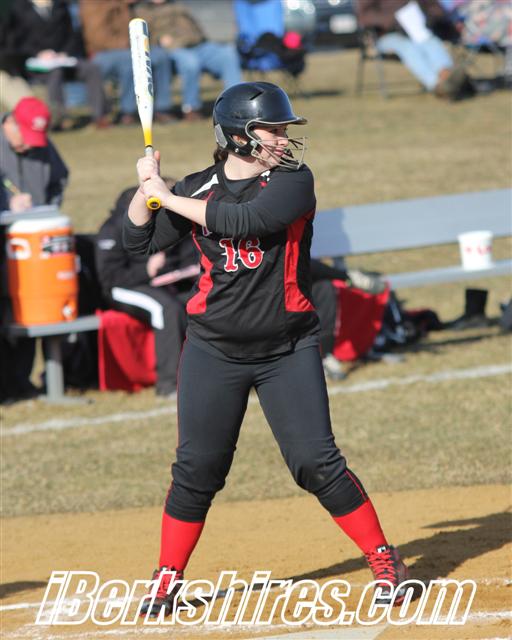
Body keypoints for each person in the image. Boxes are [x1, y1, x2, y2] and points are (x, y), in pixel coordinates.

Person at [124, 81, 410, 616]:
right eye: (271, 130)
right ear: (238, 136)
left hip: (287, 348)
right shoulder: (198, 186)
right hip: (212, 349)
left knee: (315, 463)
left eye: (283, 130)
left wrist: (170, 197)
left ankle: (384, 559)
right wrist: (146, 193)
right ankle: (167, 577)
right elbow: (138, 241)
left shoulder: (294, 181)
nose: (282, 139)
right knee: (197, 469)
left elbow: (247, 221)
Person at [95, 184, 198, 398]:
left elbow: (183, 255)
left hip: (159, 283)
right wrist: (147, 270)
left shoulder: (165, 218)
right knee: (165, 309)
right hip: (123, 288)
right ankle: (169, 384)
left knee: (198, 299)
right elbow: (110, 277)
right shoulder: (113, 228)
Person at [0, 96, 68, 402]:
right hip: (4, 243)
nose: (30, 145)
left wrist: (48, 207)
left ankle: (21, 381)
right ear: (10, 124)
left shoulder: (42, 146)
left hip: (33, 245)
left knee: (30, 306)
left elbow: (59, 178)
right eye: (26, 137)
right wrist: (6, 205)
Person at [2, 0, 109, 130]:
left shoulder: (61, 6)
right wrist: (37, 54)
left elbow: (72, 36)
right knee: (56, 73)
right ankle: (58, 119)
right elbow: (15, 42)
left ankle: (100, 116)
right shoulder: (19, 9)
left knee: (92, 69)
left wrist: (65, 53)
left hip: (63, 59)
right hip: (34, 63)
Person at [134, 0, 242, 121]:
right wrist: (159, 40)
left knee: (228, 54)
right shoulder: (142, 10)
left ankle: (237, 103)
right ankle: (191, 108)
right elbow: (142, 36)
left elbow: (194, 26)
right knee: (191, 63)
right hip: (174, 49)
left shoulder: (177, 5)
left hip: (199, 44)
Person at [79, 0, 174, 125]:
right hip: (103, 52)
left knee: (161, 56)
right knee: (130, 62)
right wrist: (128, 45)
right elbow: (97, 39)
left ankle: (162, 108)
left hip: (129, 46)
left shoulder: (126, 6)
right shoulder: (93, 5)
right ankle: (127, 111)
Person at [356, 0, 469, 99]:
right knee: (407, 47)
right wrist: (395, 19)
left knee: (430, 40)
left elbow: (434, 7)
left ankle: (446, 74)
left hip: (417, 29)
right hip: (386, 35)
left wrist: (427, 16)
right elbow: (365, 16)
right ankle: (437, 85)